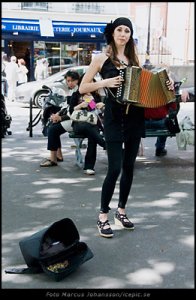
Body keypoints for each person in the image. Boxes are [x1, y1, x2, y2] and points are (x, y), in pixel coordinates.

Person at [78, 17, 174, 238]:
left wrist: (167, 85)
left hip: (134, 118)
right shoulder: (101, 58)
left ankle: (121, 211)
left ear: (130, 36)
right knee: (114, 168)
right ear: (112, 32)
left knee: (129, 167)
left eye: (127, 31)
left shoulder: (134, 60)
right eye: (119, 30)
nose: (123, 34)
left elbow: (148, 86)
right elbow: (83, 86)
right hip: (113, 116)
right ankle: (103, 215)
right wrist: (105, 83)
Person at [40, 71, 80, 167]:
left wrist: (60, 118)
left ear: (78, 80)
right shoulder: (73, 91)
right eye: (68, 81)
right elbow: (66, 107)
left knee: (53, 130)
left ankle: (53, 159)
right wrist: (57, 115)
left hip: (78, 121)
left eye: (72, 80)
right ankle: (58, 155)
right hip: (73, 118)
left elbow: (74, 111)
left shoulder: (79, 91)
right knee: (53, 126)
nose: (70, 83)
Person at [69, 75, 105, 175]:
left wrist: (100, 106)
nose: (91, 86)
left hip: (92, 124)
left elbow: (98, 113)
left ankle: (89, 167)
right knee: (90, 129)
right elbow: (71, 112)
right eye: (89, 83)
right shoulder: (76, 95)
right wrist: (80, 105)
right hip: (79, 124)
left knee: (92, 135)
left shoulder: (95, 96)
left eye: (93, 84)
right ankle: (105, 145)